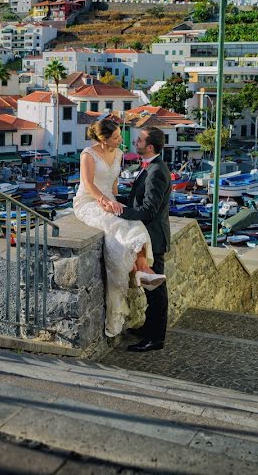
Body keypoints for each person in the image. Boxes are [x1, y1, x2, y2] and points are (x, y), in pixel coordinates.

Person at [73, 120, 166, 339]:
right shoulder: (88, 154)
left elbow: (114, 186)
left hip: (110, 200)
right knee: (116, 225)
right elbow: (88, 184)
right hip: (89, 201)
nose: (121, 140)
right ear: (103, 139)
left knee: (135, 226)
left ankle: (142, 267)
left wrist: (115, 201)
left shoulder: (119, 153)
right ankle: (143, 270)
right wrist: (104, 201)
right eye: (116, 137)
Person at [107, 126, 172, 353]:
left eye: (140, 140)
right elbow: (137, 201)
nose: (135, 142)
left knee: (156, 290)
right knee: (149, 287)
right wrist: (115, 200)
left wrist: (119, 212)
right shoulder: (150, 167)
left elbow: (148, 211)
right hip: (146, 236)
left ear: (150, 146)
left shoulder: (156, 171)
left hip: (153, 237)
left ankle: (156, 338)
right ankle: (148, 328)